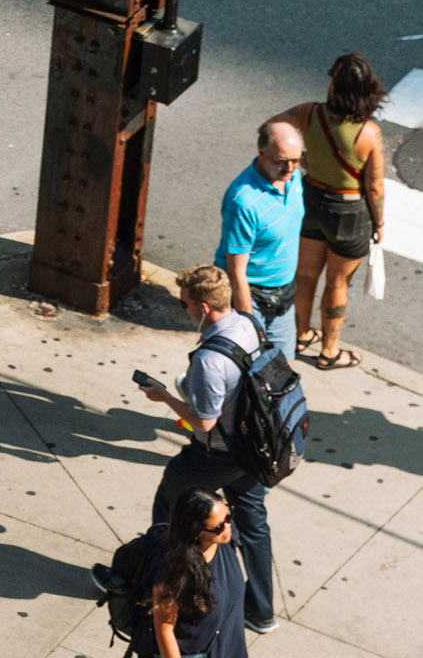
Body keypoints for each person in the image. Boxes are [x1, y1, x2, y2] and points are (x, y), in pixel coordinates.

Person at [135, 264, 277, 636]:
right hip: (253, 446)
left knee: (171, 505)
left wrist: (164, 396)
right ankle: (261, 610)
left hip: (216, 454)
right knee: (252, 523)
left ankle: (160, 589)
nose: (183, 309)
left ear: (203, 309)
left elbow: (203, 422)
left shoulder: (210, 359)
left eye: (185, 304)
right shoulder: (248, 323)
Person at [290, 53, 388, 370]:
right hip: (349, 212)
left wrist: (300, 161)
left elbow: (270, 128)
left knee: (304, 276)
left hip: (310, 200)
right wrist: (379, 222)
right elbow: (374, 186)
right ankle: (329, 351)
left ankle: (300, 334)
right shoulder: (368, 133)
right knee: (337, 284)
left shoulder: (309, 113)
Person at [217, 119, 304, 365]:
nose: (290, 168)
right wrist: (249, 324)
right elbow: (236, 272)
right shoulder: (243, 201)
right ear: (261, 152)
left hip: (284, 294)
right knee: (249, 370)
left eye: (296, 160)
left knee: (282, 368)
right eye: (281, 161)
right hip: (251, 295)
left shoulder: (292, 178)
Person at [139, 489, 251, 658]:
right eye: (219, 526)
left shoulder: (224, 540)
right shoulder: (173, 568)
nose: (227, 527)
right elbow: (164, 628)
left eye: (229, 517)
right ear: (196, 531)